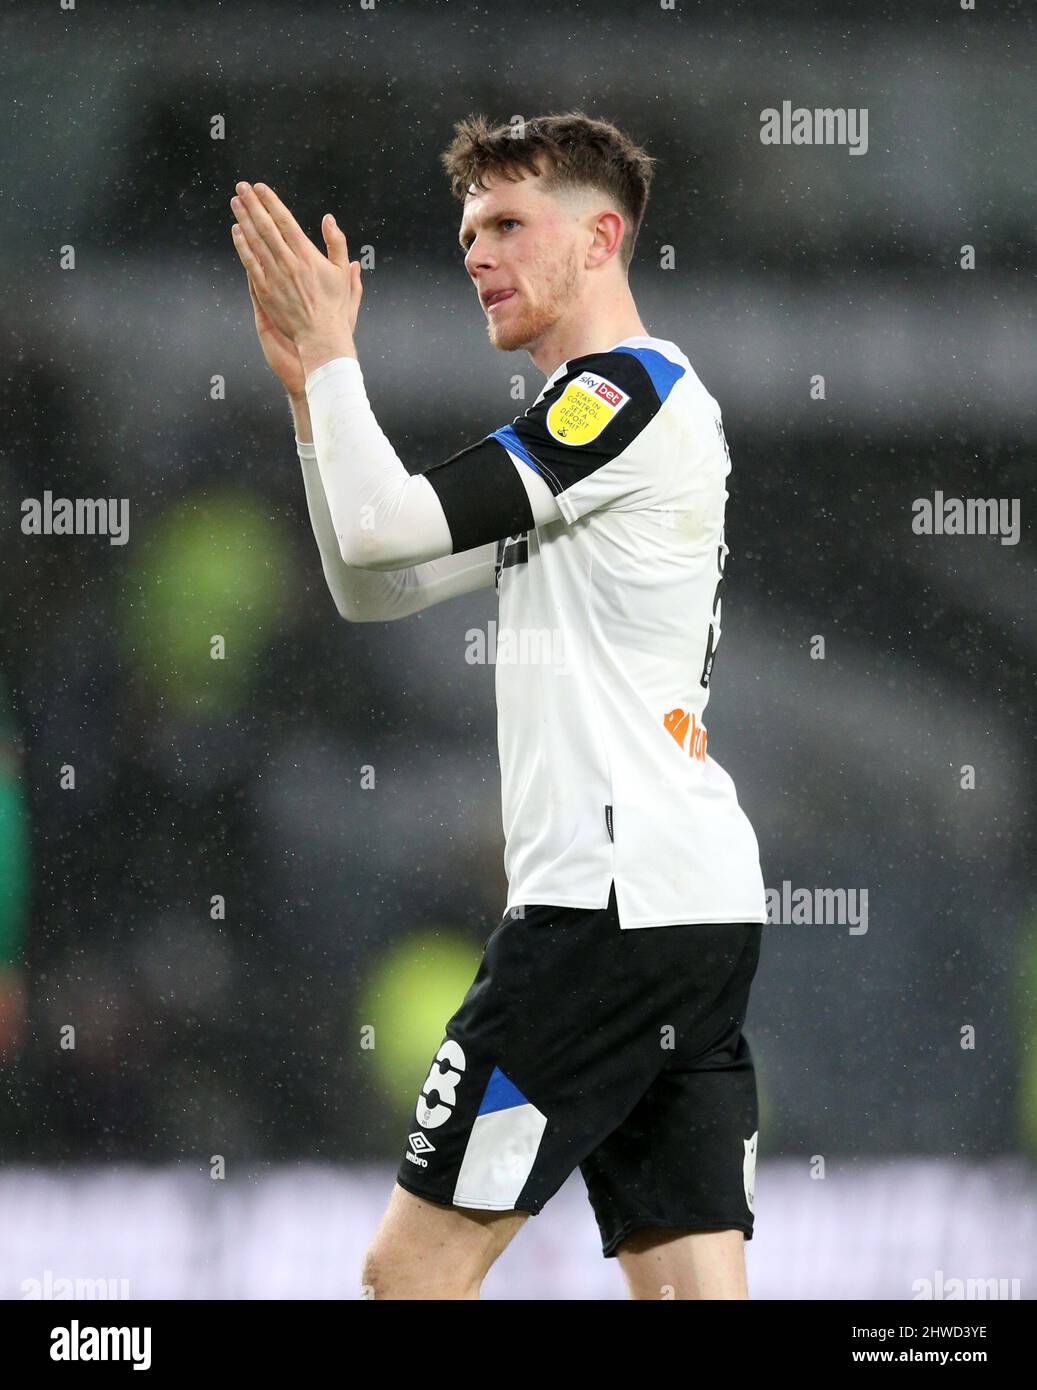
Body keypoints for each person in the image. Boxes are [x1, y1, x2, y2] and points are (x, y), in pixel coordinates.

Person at [230, 110, 767, 1300]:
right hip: (683, 912)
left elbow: (382, 532)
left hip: (603, 906)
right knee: (688, 1289)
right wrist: (313, 405)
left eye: (511, 224)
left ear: (601, 239)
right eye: (469, 230)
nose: (478, 252)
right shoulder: (593, 434)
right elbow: (377, 581)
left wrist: (334, 355)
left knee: (406, 1274)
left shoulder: (617, 397)